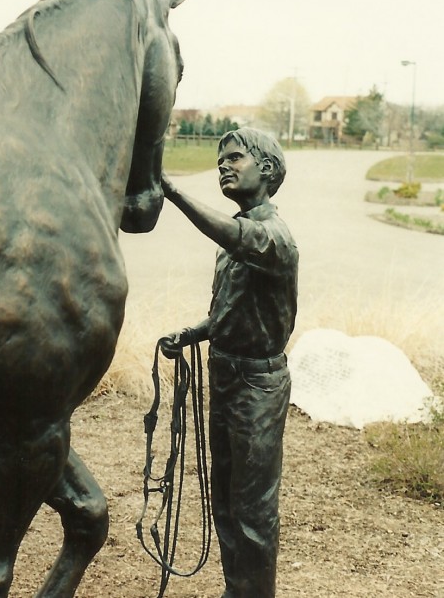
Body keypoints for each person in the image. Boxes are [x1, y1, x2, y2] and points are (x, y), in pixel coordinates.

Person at [159, 127, 298, 598]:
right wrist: (193, 333)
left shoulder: (273, 237)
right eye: (222, 160)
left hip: (258, 386)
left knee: (254, 510)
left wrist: (173, 191)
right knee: (226, 500)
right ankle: (238, 589)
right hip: (225, 376)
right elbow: (230, 313)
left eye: (235, 158)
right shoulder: (237, 243)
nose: (225, 166)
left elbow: (238, 235)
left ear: (269, 171)